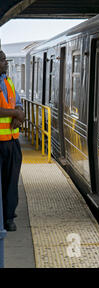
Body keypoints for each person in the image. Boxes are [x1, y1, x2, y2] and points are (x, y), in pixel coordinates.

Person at [0, 50, 25, 232]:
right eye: (2, 60)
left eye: (5, 59)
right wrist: (15, 113)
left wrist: (19, 112)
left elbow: (17, 102)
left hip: (12, 140)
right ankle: (4, 217)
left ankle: (9, 215)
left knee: (11, 180)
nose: (5, 62)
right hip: (0, 141)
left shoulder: (8, 81)